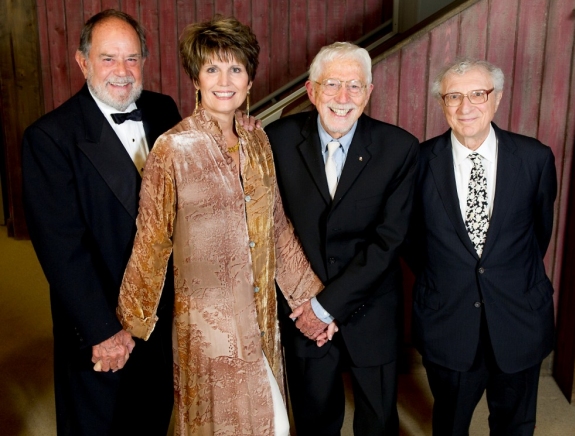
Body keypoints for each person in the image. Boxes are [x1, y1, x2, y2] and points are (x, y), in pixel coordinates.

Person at [116, 16, 329, 436]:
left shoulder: (258, 140)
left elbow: (278, 228)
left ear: (250, 81)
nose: (224, 80)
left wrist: (311, 302)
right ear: (196, 78)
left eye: (236, 69)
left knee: (274, 424)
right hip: (206, 329)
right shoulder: (172, 148)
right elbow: (152, 239)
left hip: (261, 314)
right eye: (212, 68)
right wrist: (129, 323)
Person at [21, 9, 182, 435]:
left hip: (162, 317)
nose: (123, 72)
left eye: (132, 58)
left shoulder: (164, 111)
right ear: (83, 62)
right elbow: (61, 249)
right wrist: (103, 330)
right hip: (103, 322)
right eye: (108, 58)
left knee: (151, 416)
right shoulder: (50, 137)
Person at [265, 42, 418, 436]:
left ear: (369, 92)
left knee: (378, 422)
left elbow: (389, 241)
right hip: (302, 309)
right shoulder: (276, 140)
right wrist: (310, 306)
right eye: (332, 84)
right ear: (312, 91)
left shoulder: (399, 148)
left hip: (372, 309)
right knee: (315, 420)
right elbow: (269, 224)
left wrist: (326, 306)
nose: (343, 98)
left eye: (355, 86)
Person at [407, 58, 557, 435]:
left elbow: (538, 233)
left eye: (478, 94)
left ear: (498, 98)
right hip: (449, 320)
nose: (465, 106)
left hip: (519, 317)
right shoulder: (417, 163)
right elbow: (411, 243)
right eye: (453, 96)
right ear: (442, 104)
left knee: (515, 425)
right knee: (450, 424)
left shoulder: (535, 158)